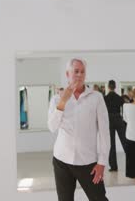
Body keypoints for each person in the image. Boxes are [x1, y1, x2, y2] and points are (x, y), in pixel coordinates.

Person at [48, 58, 110, 201]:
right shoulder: (57, 99)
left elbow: (104, 132)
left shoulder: (96, 98)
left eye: (82, 72)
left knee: (99, 198)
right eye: (76, 71)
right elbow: (52, 127)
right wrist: (63, 101)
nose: (79, 75)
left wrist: (102, 162)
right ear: (67, 74)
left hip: (88, 162)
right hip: (62, 160)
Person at [104, 80, 128, 172]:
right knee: (125, 142)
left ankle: (113, 167)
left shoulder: (105, 98)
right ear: (115, 87)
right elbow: (124, 109)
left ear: (108, 87)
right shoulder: (119, 97)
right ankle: (132, 162)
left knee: (111, 144)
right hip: (118, 119)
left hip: (109, 120)